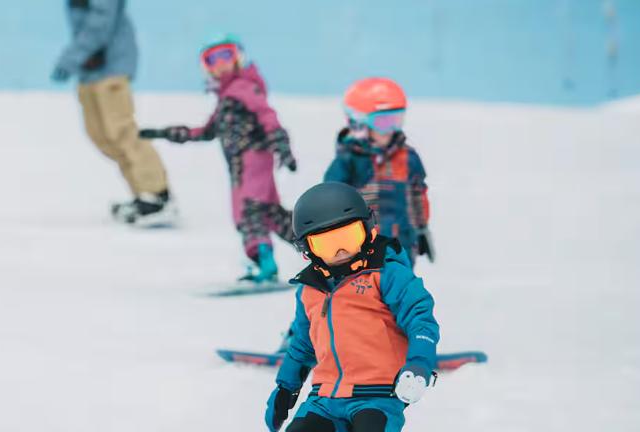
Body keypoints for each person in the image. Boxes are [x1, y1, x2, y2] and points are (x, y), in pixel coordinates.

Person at [239, 181, 440, 432]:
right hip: (326, 396)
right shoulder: (311, 290)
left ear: (370, 228)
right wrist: (286, 388)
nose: (342, 250)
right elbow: (302, 344)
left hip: (378, 395)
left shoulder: (389, 274)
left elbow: (421, 321)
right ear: (306, 250)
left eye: (349, 236)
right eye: (327, 244)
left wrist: (419, 365)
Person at [139, 35, 297, 282]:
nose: (221, 64)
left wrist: (281, 145)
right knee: (269, 213)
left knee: (249, 211)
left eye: (227, 55)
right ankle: (316, 249)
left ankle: (266, 264)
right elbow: (207, 131)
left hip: (254, 157)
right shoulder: (227, 96)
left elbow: (267, 115)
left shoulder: (243, 87)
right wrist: (166, 133)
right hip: (239, 164)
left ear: (238, 58)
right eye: (213, 60)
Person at [51, 0, 175, 226]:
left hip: (111, 66)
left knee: (121, 132)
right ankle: (142, 194)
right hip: (89, 70)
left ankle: (157, 194)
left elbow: (101, 22)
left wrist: (71, 58)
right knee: (100, 135)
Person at [324, 78, 433, 263]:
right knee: (366, 290)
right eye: (383, 122)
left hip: (401, 244)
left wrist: (421, 228)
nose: (391, 130)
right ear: (359, 123)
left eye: (397, 120)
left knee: (400, 288)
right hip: (361, 247)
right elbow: (330, 202)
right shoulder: (349, 161)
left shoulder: (407, 157)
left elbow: (417, 193)